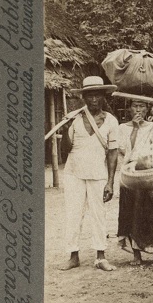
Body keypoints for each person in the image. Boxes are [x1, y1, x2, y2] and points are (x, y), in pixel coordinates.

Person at [58, 76, 121, 271]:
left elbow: (112, 153)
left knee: (99, 214)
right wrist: (66, 129)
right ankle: (73, 255)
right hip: (74, 173)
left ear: (103, 97)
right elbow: (65, 150)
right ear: (84, 98)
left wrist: (110, 182)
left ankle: (100, 256)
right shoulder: (74, 118)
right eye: (90, 96)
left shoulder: (111, 121)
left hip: (98, 173)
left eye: (97, 95)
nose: (94, 99)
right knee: (73, 214)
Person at [116, 98, 153, 266]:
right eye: (135, 106)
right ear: (129, 109)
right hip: (131, 174)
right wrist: (135, 129)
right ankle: (136, 255)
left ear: (148, 109)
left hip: (151, 173)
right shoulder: (122, 128)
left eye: (142, 106)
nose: (138, 110)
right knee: (132, 213)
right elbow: (124, 153)